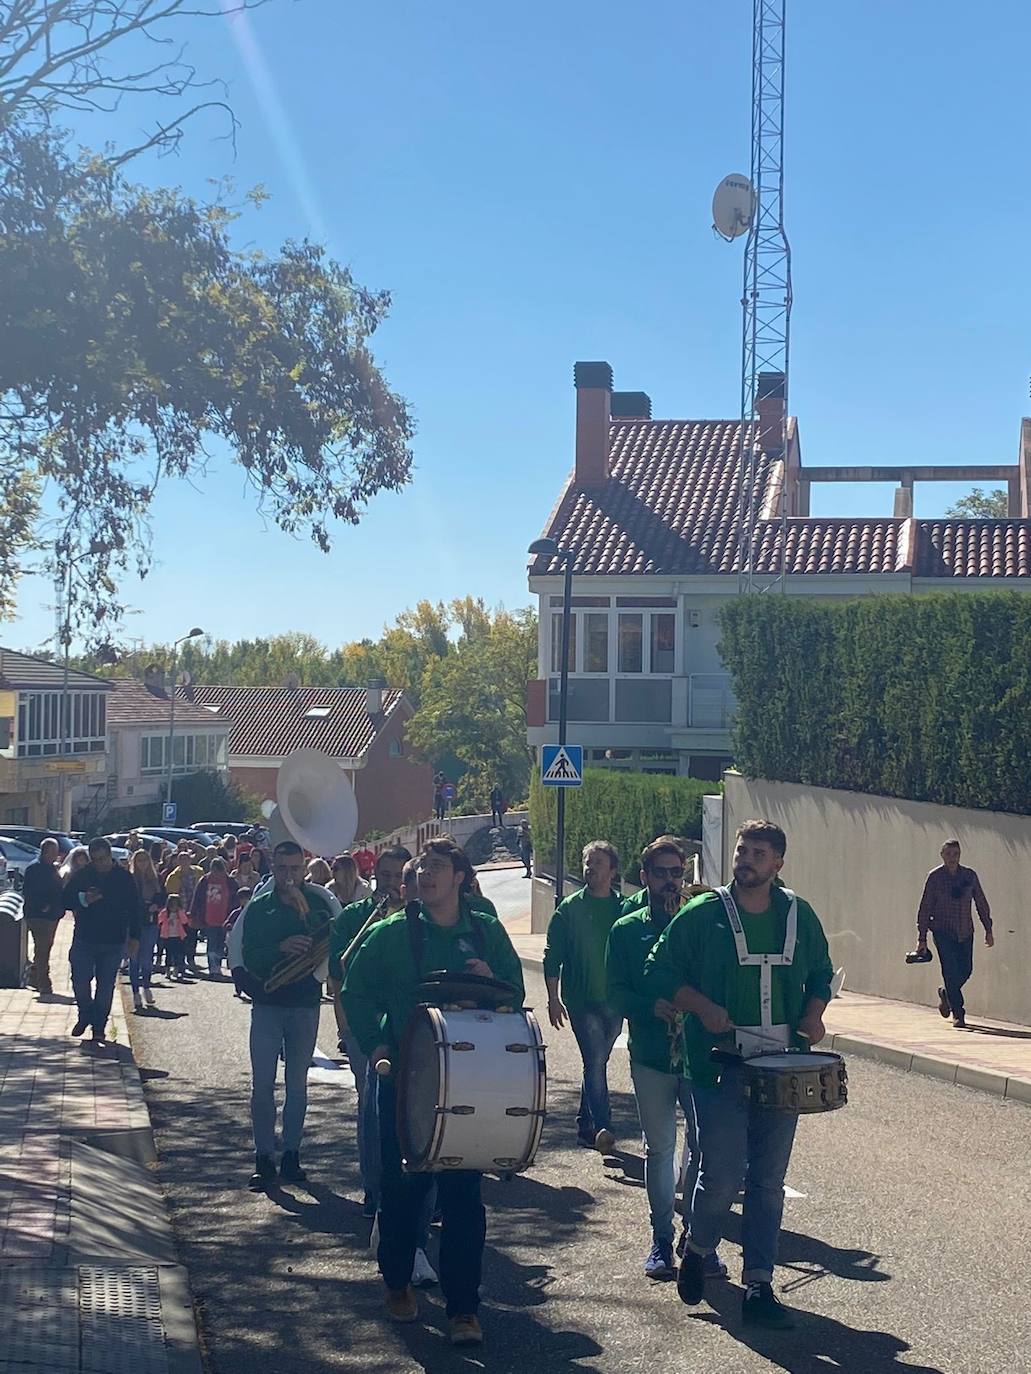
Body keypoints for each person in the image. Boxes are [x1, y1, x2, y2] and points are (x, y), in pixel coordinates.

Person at [645, 819, 833, 1329]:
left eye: (758, 853)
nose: (745, 859)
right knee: (723, 1176)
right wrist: (702, 1007)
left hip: (782, 1070)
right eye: (742, 850)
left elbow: (821, 972)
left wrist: (814, 1014)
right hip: (718, 1068)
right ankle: (699, 1247)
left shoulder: (798, 914)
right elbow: (659, 970)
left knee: (768, 1181)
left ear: (778, 863)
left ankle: (759, 1284)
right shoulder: (702, 913)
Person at [341, 837, 525, 1346]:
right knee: (403, 1191)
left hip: (470, 1081)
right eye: (422, 866)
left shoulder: (486, 931)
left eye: (437, 866)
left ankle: (464, 1308)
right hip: (406, 1081)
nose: (425, 873)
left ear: (461, 877)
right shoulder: (391, 933)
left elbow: (515, 993)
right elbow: (355, 990)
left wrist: (494, 980)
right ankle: (397, 1281)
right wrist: (376, 1042)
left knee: (464, 1197)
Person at [606, 837, 725, 1282]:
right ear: (645, 877)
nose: (671, 881)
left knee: (703, 1148)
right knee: (660, 1149)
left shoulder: (703, 925)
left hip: (699, 1057)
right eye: (662, 873)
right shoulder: (625, 929)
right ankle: (661, 1237)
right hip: (652, 1055)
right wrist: (647, 1007)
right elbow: (613, 992)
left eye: (677, 872)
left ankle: (698, 1241)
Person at [241, 840, 335, 1189]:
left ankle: (292, 1154)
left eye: (295, 868)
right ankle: (263, 1157)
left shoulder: (318, 903)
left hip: (305, 1003)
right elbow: (249, 955)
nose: (289, 876)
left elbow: (331, 940)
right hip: (268, 1004)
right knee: (262, 1084)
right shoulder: (259, 906)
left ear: (304, 868)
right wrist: (279, 948)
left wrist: (306, 916)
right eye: (282, 869)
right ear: (273, 869)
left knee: (297, 1084)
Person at [327, 845, 411, 1217]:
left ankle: (417, 1190)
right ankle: (375, 1189)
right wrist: (345, 1030)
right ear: (374, 876)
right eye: (385, 876)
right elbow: (338, 972)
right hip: (365, 1026)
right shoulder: (353, 918)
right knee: (372, 1108)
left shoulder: (419, 919)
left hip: (409, 1025)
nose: (391, 884)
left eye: (399, 877)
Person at [543, 841, 624, 1151]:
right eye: (588, 862)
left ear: (613, 871)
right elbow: (552, 957)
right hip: (581, 1001)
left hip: (614, 1001)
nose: (590, 868)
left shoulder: (623, 908)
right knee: (595, 1061)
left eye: (598, 863)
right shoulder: (569, 909)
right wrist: (553, 998)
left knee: (596, 1062)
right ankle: (604, 1126)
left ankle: (584, 1124)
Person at [63, 837, 142, 1044]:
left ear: (110, 856)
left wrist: (135, 937)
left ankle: (99, 1027)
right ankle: (85, 1013)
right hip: (85, 937)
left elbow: (135, 908)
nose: (100, 864)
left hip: (113, 940)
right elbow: (65, 899)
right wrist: (83, 899)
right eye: (95, 859)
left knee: (105, 986)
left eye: (103, 859)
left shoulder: (123, 877)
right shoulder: (84, 874)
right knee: (80, 980)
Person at [915, 839, 993, 1029]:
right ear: (942, 855)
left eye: (956, 854)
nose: (952, 858)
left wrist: (988, 929)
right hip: (942, 931)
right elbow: (925, 907)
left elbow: (981, 902)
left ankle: (946, 993)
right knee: (949, 970)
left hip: (965, 931)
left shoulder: (969, 876)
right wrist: (922, 938)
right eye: (949, 854)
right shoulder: (935, 877)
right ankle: (958, 1013)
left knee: (966, 970)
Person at [23, 838, 65, 996]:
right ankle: (44, 983)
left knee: (45, 947)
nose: (56, 854)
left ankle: (33, 976)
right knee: (42, 949)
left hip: (52, 915)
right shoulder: (35, 868)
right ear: (45, 851)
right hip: (38, 916)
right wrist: (43, 906)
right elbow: (29, 892)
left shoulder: (52, 867)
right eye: (53, 852)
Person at [129, 850, 166, 1010]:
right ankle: (135, 992)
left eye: (145, 860)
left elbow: (163, 897)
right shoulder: (130, 879)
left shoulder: (156, 878)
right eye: (139, 860)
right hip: (134, 922)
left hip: (150, 922)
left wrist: (156, 905)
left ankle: (146, 987)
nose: (142, 863)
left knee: (147, 958)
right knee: (134, 958)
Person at [165, 847, 204, 973]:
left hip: (194, 910)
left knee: (192, 936)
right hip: (179, 912)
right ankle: (179, 962)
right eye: (181, 859)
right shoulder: (173, 876)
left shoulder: (198, 872)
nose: (184, 861)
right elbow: (170, 895)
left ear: (190, 860)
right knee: (180, 938)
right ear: (178, 861)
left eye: (186, 859)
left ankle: (191, 958)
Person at [226, 886, 254, 998]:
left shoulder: (254, 911)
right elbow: (226, 924)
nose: (245, 900)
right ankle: (238, 988)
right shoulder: (236, 913)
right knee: (236, 966)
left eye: (248, 898)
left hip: (249, 943)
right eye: (243, 898)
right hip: (236, 943)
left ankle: (250, 988)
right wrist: (231, 926)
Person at [158, 894, 189, 980]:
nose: (174, 906)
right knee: (168, 954)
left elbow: (185, 921)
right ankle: (167, 970)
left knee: (177, 954)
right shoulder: (165, 912)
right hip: (167, 936)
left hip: (178, 936)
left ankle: (176, 970)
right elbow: (159, 920)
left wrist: (180, 913)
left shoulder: (180, 912)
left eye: (176, 904)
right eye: (172, 904)